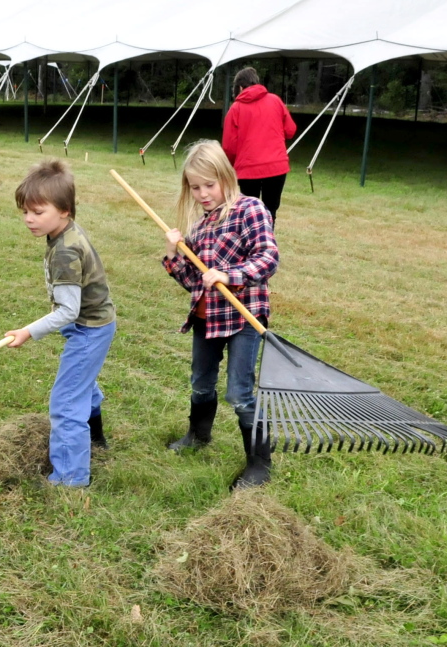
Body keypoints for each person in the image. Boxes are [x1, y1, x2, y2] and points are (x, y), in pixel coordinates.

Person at [162, 140, 279, 489]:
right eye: (195, 187)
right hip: (206, 318)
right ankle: (198, 435)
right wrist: (174, 254)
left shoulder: (250, 210)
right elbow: (193, 283)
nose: (202, 193)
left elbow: (268, 258)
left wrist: (232, 275)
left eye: (209, 185)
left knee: (240, 392)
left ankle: (259, 463)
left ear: (227, 177)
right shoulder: (200, 228)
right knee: (200, 384)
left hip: (243, 319)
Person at [3, 160, 117, 488]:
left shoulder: (66, 252)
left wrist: (28, 331)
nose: (28, 219)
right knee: (81, 384)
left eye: (38, 212)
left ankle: (69, 478)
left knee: (66, 402)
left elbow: (68, 310)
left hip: (88, 329)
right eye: (24, 211)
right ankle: (96, 439)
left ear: (65, 210)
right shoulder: (64, 234)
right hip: (94, 323)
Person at [221, 67, 297, 228]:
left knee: (248, 214)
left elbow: (229, 147)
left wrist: (232, 166)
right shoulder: (275, 100)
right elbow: (290, 130)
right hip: (277, 167)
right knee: (270, 213)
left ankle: (249, 246)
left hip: (248, 170)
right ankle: (267, 245)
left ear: (240, 88)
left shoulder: (235, 109)